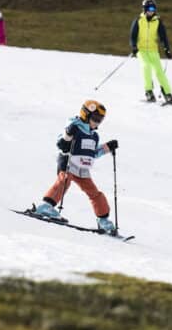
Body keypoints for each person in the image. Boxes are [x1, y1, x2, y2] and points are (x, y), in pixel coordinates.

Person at [29, 100, 121, 235]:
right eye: (95, 118)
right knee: (64, 180)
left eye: (100, 120)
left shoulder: (94, 135)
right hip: (69, 161)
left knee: (94, 193)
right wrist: (68, 134)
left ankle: (103, 220)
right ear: (85, 115)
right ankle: (46, 206)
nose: (97, 122)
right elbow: (61, 144)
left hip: (83, 167)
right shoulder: (74, 126)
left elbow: (93, 153)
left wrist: (108, 147)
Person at [130, 0, 172, 104]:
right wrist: (134, 47)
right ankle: (149, 91)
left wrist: (167, 49)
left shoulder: (158, 21)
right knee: (146, 67)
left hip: (153, 51)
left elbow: (163, 37)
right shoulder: (138, 20)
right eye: (150, 8)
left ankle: (168, 94)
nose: (152, 11)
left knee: (159, 72)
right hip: (141, 50)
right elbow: (133, 36)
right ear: (145, 9)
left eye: (154, 8)